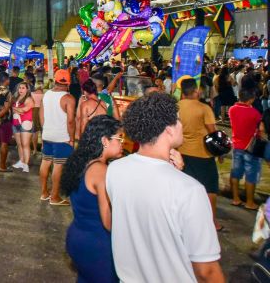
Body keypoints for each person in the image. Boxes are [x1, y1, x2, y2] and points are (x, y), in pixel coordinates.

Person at [106, 92, 224, 283]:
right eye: (178, 120)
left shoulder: (114, 170)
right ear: (169, 129)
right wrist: (177, 174)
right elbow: (207, 271)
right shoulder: (189, 190)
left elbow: (146, 218)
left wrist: (175, 171)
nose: (181, 125)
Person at [60, 115, 124, 283]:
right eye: (120, 138)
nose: (123, 143)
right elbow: (108, 221)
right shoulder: (102, 172)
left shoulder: (81, 162)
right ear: (105, 140)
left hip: (77, 236)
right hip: (98, 244)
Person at [177, 77, 222, 231]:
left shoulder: (176, 107)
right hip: (202, 154)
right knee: (210, 188)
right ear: (196, 91)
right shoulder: (204, 108)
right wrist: (220, 153)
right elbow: (213, 132)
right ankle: (212, 221)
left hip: (181, 152)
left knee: (184, 188)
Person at [39, 69, 76, 205]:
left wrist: (44, 131)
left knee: (45, 163)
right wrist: (71, 138)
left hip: (47, 134)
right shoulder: (68, 98)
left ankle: (44, 193)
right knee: (58, 166)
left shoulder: (47, 94)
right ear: (68, 83)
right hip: (62, 137)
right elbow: (71, 121)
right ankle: (54, 197)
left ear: (55, 80)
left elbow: (41, 116)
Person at [229, 87, 263, 210]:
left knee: (235, 173)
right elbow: (261, 128)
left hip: (236, 145)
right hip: (250, 147)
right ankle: (250, 202)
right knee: (251, 175)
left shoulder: (232, 109)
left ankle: (236, 199)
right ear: (250, 99)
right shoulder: (255, 113)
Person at [11, 82, 36, 172]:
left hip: (26, 124)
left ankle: (26, 164)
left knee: (25, 145)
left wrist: (16, 109)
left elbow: (24, 110)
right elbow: (17, 110)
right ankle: (21, 161)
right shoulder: (16, 98)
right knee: (19, 144)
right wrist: (18, 110)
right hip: (16, 123)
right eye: (20, 88)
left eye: (23, 88)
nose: (21, 90)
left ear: (27, 89)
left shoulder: (29, 99)